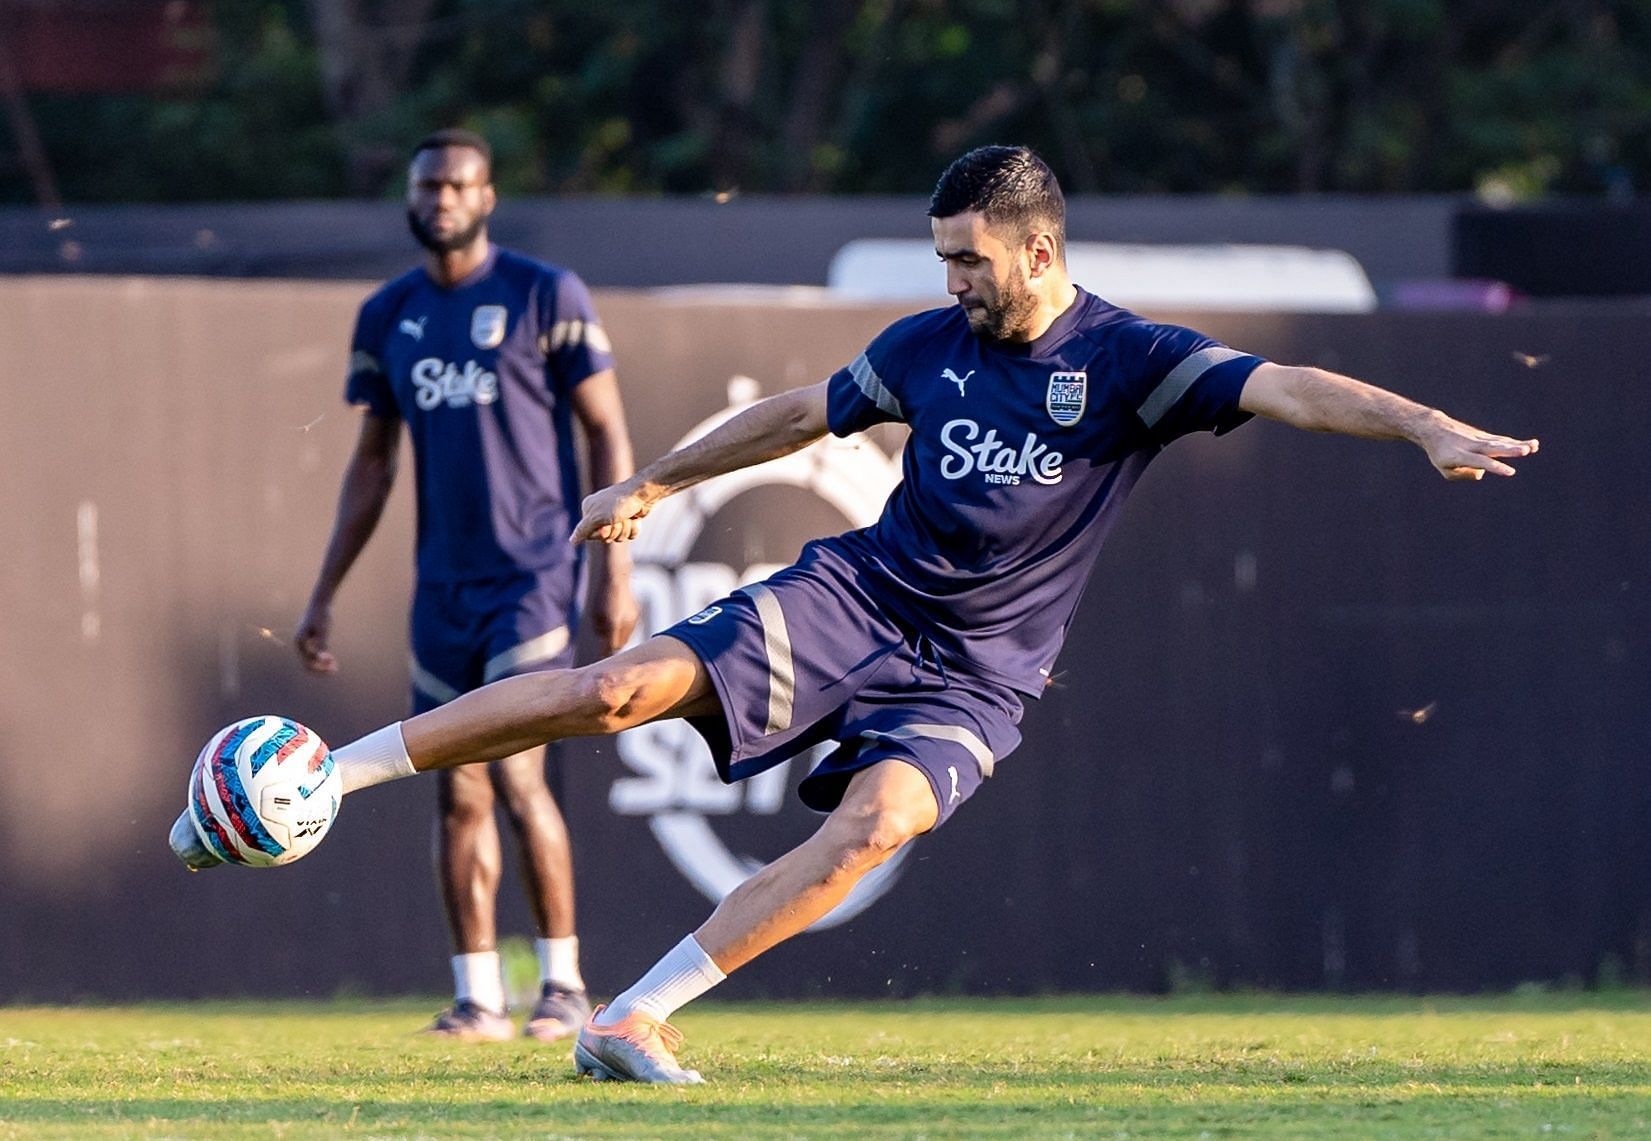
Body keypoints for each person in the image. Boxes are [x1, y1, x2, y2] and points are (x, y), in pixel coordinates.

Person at [178, 145, 1536, 1081]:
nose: (949, 279)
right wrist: (652, 479)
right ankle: (322, 779)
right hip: (858, 595)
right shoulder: (925, 346)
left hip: (978, 678)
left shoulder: (1131, 362)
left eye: (968, 260)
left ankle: (628, 1019)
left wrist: (1418, 425)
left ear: (1037, 249)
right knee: (609, 691)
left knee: (874, 827)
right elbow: (791, 413)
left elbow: (1286, 383)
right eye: (942, 255)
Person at [297, 129, 638, 1043]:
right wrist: (324, 591)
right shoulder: (388, 315)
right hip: (439, 588)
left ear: (487, 196)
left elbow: (606, 434)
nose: (440, 198)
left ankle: (563, 984)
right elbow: (372, 464)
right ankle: (478, 996)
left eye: (457, 184)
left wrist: (614, 565)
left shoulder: (543, 294)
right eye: (426, 185)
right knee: (455, 788)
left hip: (530, 575)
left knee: (519, 772)